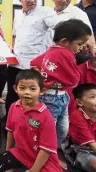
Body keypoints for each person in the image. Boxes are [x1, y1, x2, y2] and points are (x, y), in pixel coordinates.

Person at [0, 69, 62, 172]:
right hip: (20, 154)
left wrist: (33, 170)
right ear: (15, 88)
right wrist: (8, 153)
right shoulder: (14, 107)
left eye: (32, 89)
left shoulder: (46, 117)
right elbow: (10, 131)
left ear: (41, 91)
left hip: (43, 162)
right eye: (22, 88)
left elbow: (46, 150)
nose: (27, 92)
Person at [31, 19, 92, 148]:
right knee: (55, 130)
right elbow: (74, 80)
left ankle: (48, 152)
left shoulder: (52, 50)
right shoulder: (66, 53)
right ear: (64, 42)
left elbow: (34, 62)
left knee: (54, 130)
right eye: (80, 43)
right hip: (53, 98)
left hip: (56, 96)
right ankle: (46, 155)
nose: (81, 48)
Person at [6, 0, 58, 117]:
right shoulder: (18, 16)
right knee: (12, 95)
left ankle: (28, 123)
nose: (32, 0)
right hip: (15, 63)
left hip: (33, 65)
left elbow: (58, 27)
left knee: (30, 96)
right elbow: (14, 35)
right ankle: (10, 120)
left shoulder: (46, 13)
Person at [63, 84, 96, 172]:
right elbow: (92, 144)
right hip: (80, 150)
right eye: (92, 97)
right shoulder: (77, 115)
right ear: (80, 102)